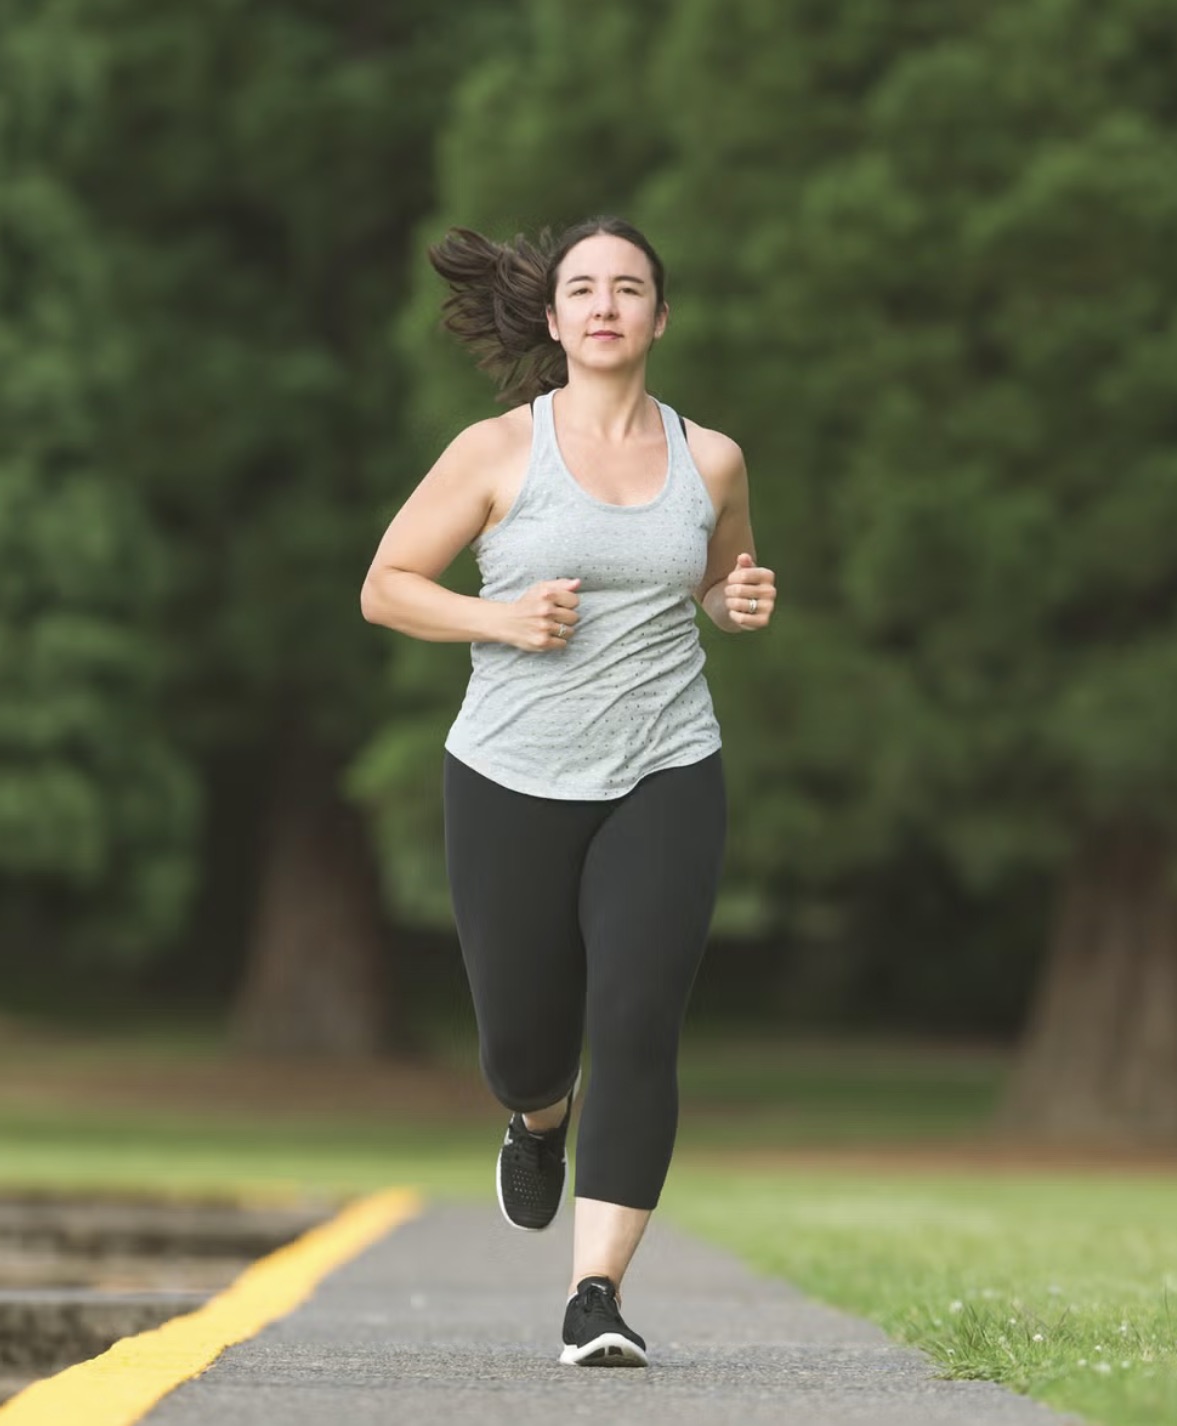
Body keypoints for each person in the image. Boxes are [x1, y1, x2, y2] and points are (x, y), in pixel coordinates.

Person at [360, 215, 777, 1367]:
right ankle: (538, 1118)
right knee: (524, 1043)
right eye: (583, 287)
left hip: (666, 768)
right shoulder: (497, 450)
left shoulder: (712, 459)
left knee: (636, 1022)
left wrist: (735, 604)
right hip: (511, 775)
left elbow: (716, 581)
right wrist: (499, 618)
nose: (605, 304)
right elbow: (386, 585)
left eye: (628, 287)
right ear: (553, 318)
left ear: (659, 317)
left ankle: (596, 1295)